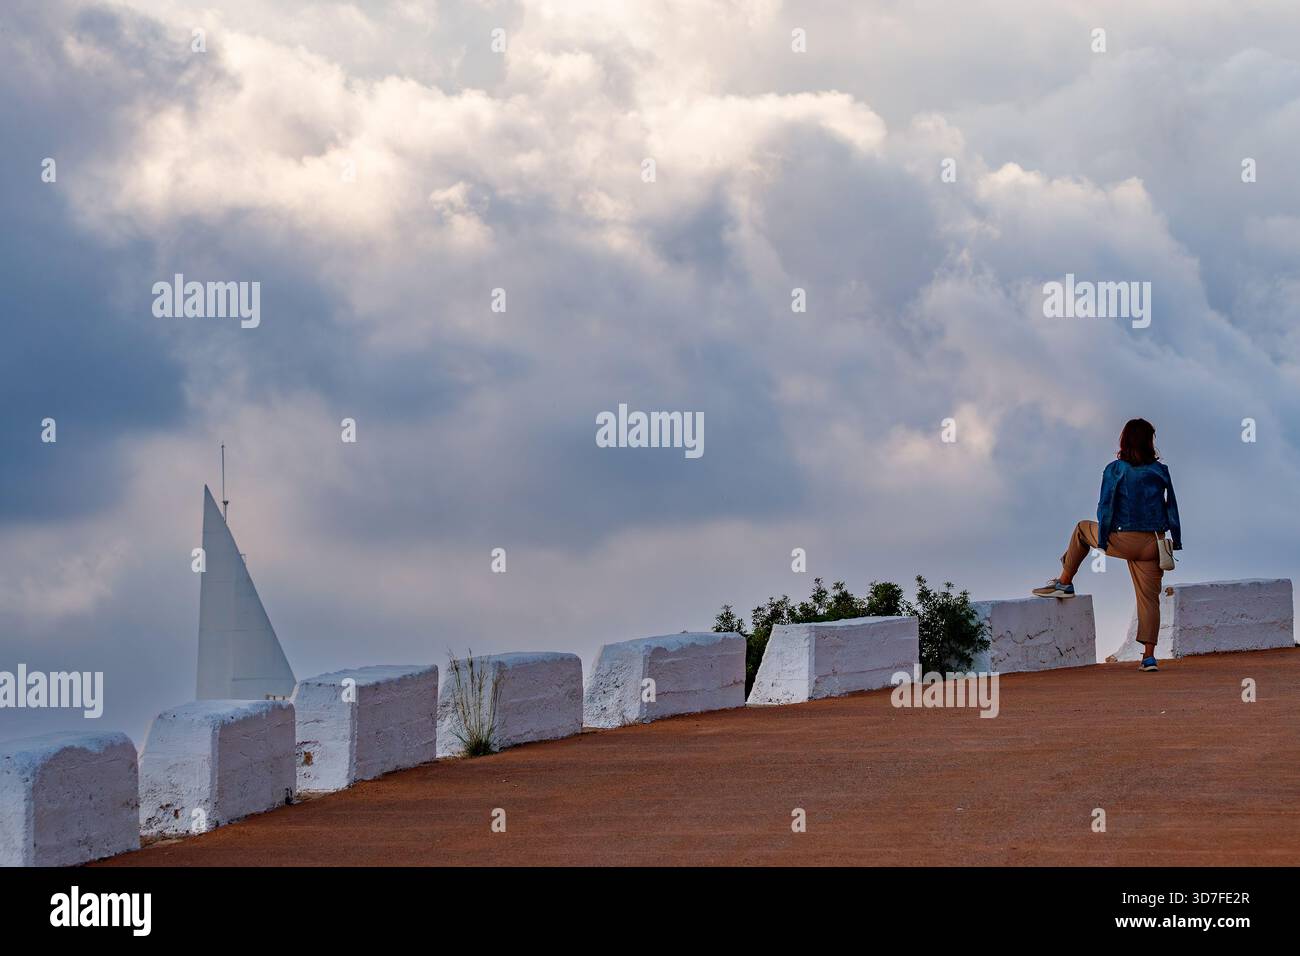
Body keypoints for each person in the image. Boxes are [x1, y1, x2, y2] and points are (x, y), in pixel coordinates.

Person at [1032, 419, 1182, 672]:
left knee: (1081, 528)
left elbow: (1105, 507)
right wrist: (1174, 540)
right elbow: (1173, 507)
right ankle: (1148, 658)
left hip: (1122, 538)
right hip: (1152, 542)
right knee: (1149, 600)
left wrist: (1103, 539)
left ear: (1124, 440)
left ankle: (1065, 582)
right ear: (1149, 442)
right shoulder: (1160, 471)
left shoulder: (1115, 469)